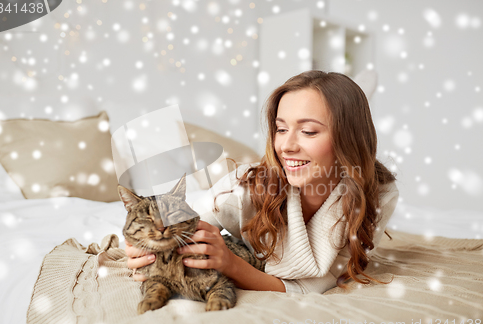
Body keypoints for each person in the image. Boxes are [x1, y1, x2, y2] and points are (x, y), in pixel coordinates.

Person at [125, 70, 399, 294]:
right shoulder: (240, 190)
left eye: (308, 131)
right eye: (280, 129)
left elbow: (325, 280)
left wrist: (231, 265)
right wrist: (138, 247)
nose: (286, 146)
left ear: (348, 137)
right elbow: (180, 225)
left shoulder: (378, 193)